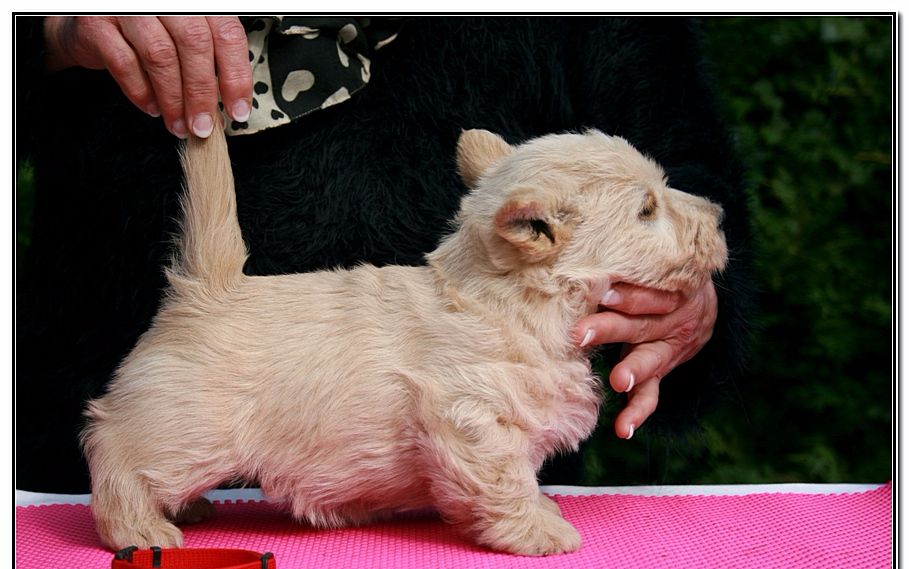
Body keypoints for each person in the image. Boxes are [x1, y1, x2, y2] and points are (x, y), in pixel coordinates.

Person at [16, 16, 752, 492]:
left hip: (482, 484)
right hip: (95, 432)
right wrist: (42, 30)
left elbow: (691, 172)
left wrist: (687, 293)